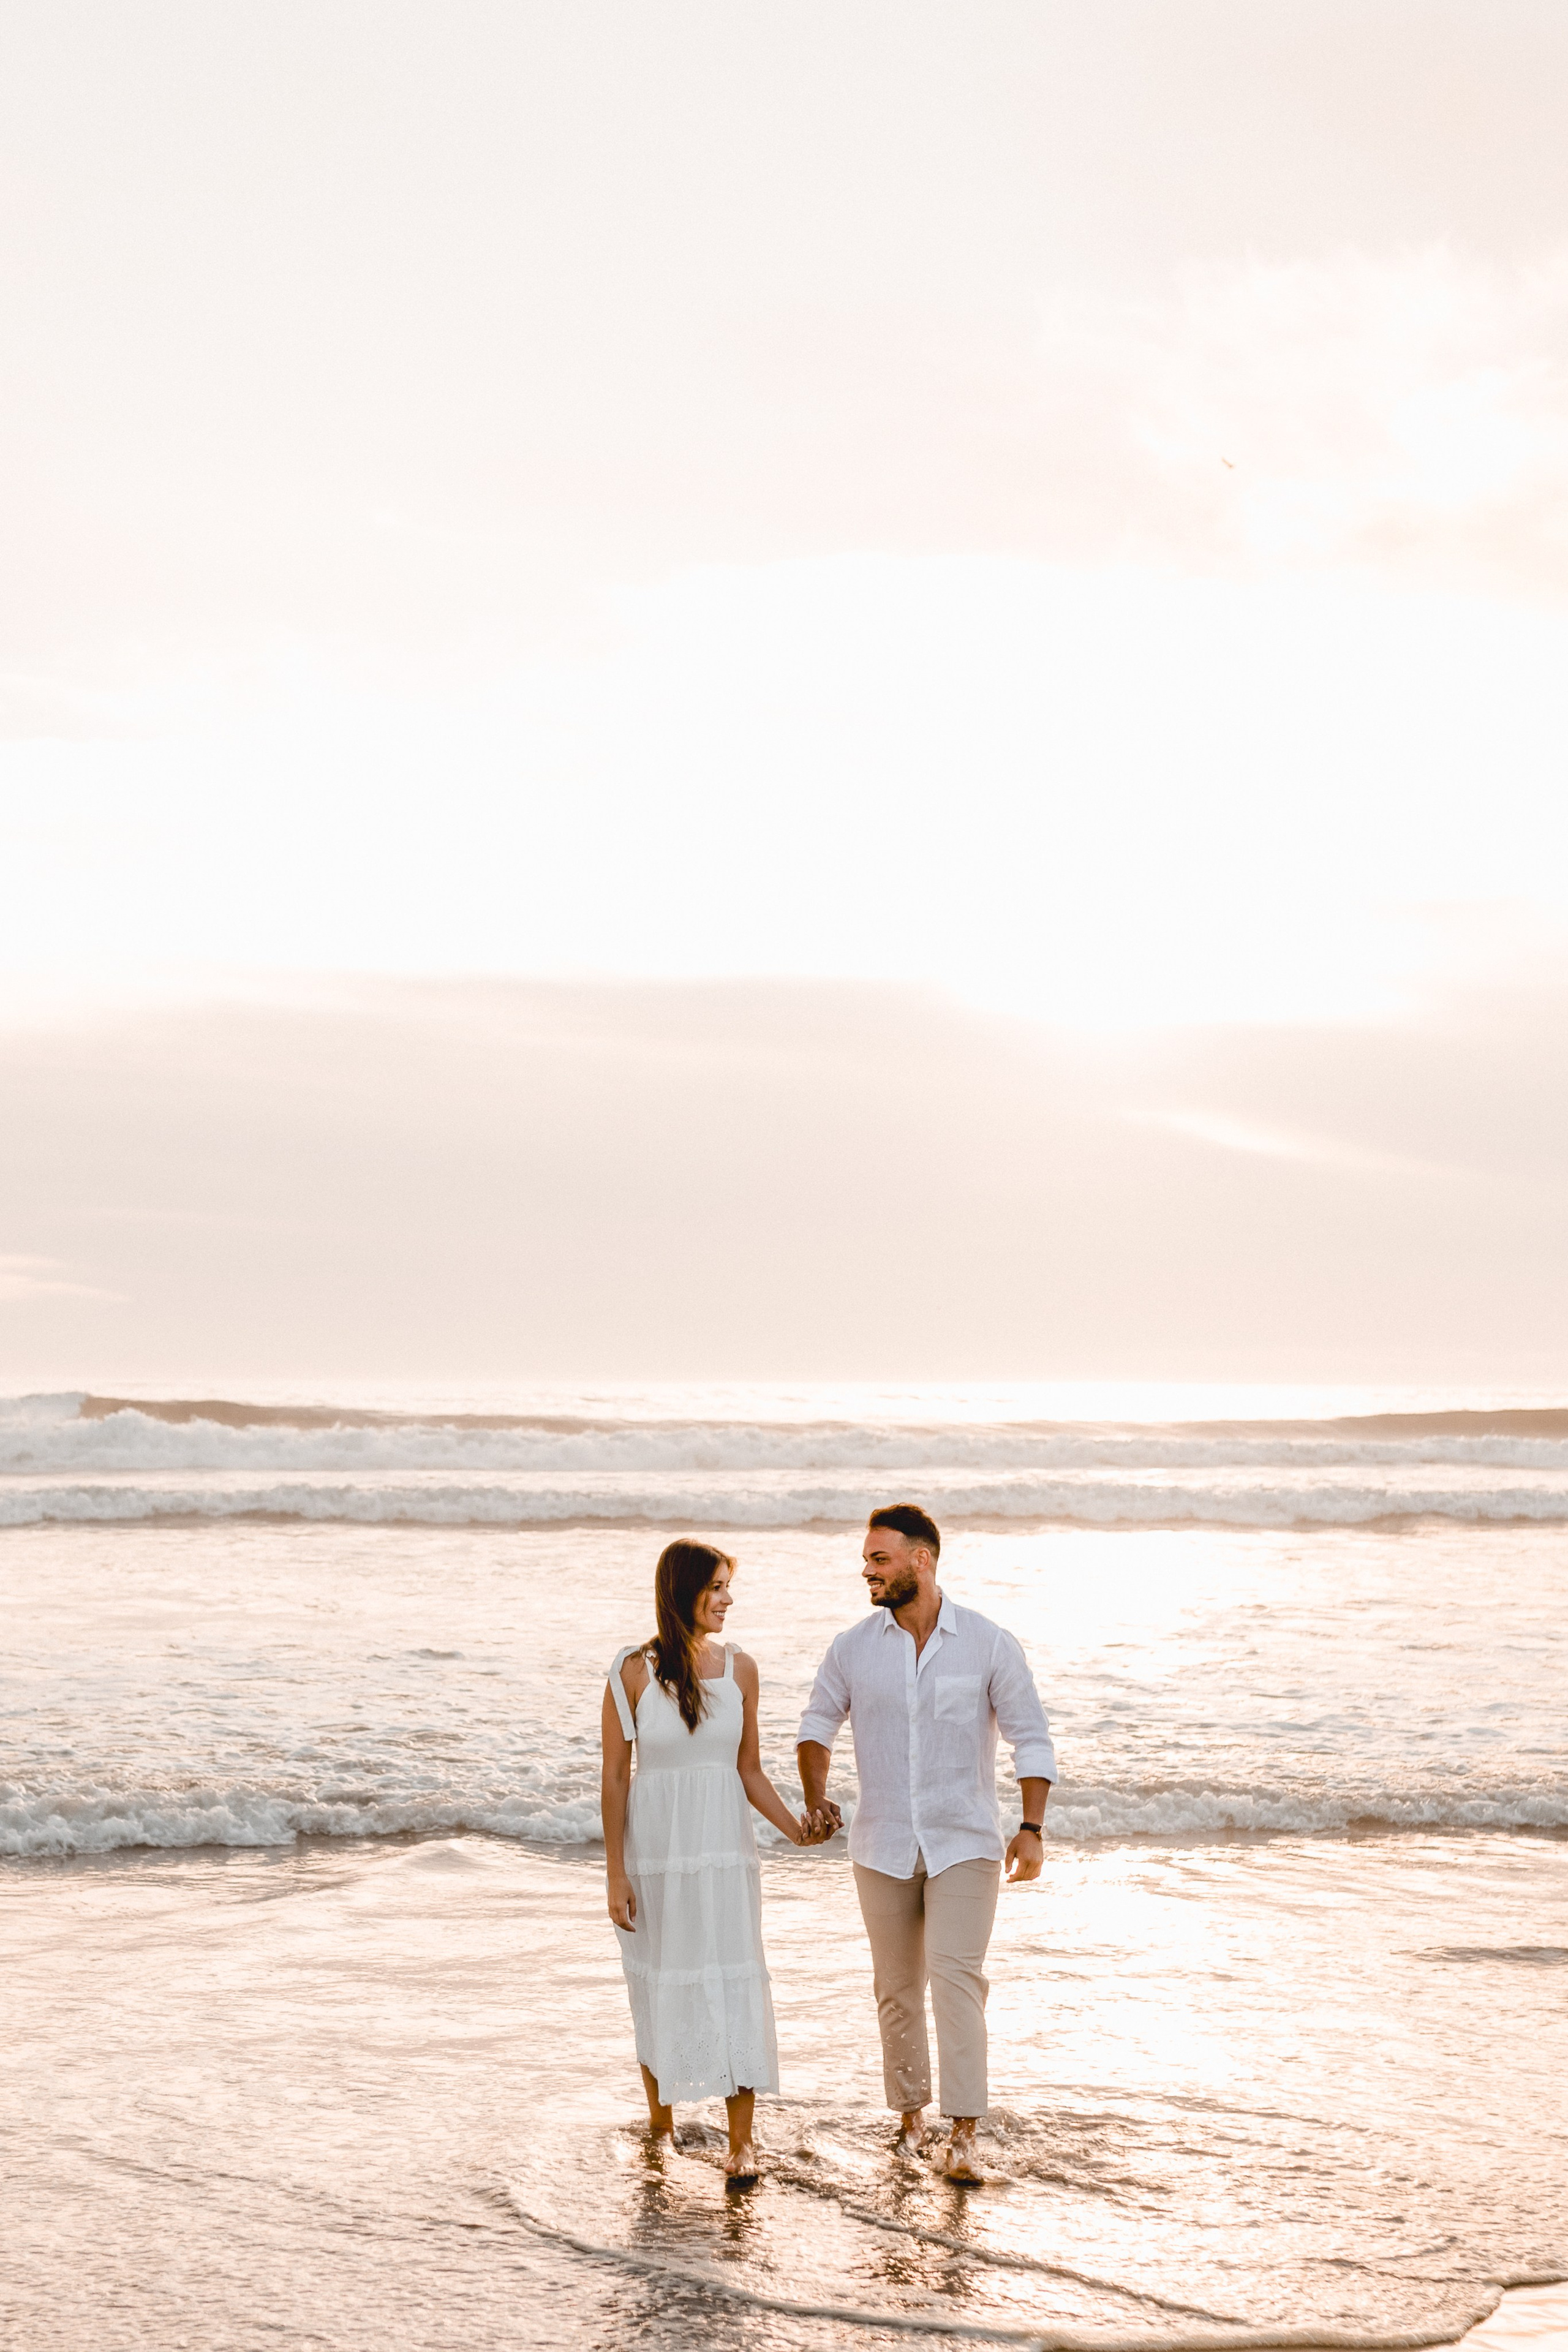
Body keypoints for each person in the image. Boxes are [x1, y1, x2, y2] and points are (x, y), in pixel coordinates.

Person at [796, 1503, 1057, 2184]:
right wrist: (815, 1796)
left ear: (922, 1559)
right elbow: (815, 1726)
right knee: (896, 1988)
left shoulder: (988, 1643)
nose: (866, 1572)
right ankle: (911, 2119)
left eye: (879, 1559)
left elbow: (1031, 1736)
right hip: (880, 1841)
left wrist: (1031, 1829)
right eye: (866, 1560)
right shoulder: (852, 1647)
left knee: (955, 1980)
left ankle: (965, 2134)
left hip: (965, 1839)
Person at [601, 1538, 827, 2184]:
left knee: (733, 1978)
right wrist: (615, 1873)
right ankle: (662, 2128)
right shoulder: (632, 1671)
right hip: (658, 1855)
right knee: (659, 1978)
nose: (729, 1599)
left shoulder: (741, 1670)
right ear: (684, 1591)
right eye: (718, 1587)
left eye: (730, 1587)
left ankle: (741, 2145)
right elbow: (616, 1778)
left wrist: (796, 1830)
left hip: (726, 1855)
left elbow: (748, 1772)